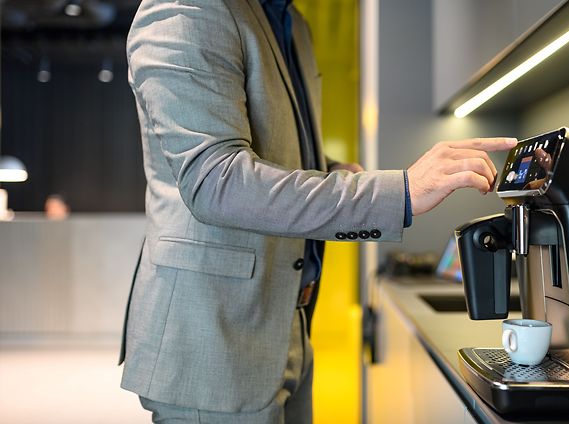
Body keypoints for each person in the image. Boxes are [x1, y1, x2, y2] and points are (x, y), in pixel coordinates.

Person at [118, 0, 517, 423]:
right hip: (212, 339)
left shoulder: (292, 25)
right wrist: (399, 192)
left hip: (287, 322)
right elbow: (217, 181)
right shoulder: (186, 9)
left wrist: (328, 169)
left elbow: (266, 147)